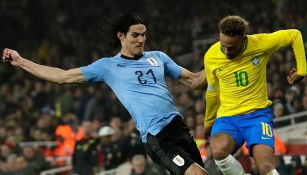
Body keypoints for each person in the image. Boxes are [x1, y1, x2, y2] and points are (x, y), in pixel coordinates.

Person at [2, 12, 208, 175]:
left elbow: (194, 81)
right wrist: (21, 62)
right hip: (157, 137)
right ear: (121, 36)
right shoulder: (108, 67)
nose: (141, 40)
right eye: (135, 35)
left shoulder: (158, 57)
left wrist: (224, 61)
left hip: (179, 129)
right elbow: (61, 76)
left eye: (143, 34)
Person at [203, 15, 306, 175]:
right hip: (228, 117)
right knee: (218, 150)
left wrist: (302, 70)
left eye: (231, 47)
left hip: (257, 116)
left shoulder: (259, 43)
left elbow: (294, 34)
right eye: (223, 45)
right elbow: (212, 91)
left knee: (265, 166)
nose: (226, 51)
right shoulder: (211, 56)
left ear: (243, 39)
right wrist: (208, 122)